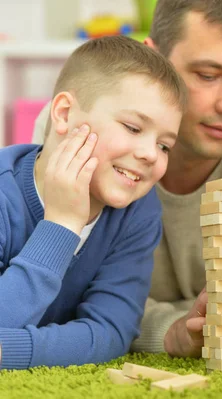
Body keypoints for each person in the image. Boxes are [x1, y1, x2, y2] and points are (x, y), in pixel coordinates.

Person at [31, 0, 222, 358]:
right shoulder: (78, 126)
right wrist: (170, 330)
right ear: (154, 59)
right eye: (208, 76)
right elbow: (57, 294)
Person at [0, 35, 185, 369]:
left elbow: (112, 333)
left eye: (164, 146)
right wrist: (61, 225)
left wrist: (11, 350)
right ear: (64, 113)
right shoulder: (3, 195)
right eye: (132, 127)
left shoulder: (137, 211)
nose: (148, 153)